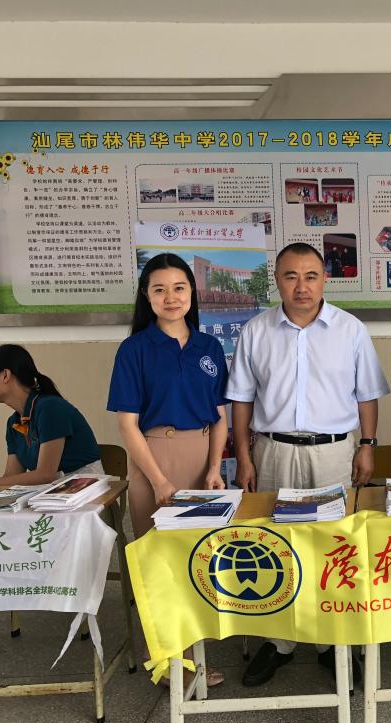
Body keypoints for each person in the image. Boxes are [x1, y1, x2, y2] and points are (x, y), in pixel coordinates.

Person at [228, 242, 389, 688]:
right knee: (274, 544)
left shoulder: (350, 329)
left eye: (311, 276)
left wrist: (367, 445)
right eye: (291, 276)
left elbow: (367, 395)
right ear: (277, 281)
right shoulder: (256, 331)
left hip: (334, 452)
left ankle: (332, 640)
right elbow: (241, 399)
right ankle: (279, 640)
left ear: (325, 280)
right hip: (273, 451)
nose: (302, 286)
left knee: (333, 545)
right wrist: (243, 455)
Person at [0, 344, 103, 676]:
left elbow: (45, 473)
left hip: (77, 500)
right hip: (41, 499)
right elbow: (13, 479)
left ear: (6, 375)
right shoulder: (15, 421)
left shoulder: (50, 408)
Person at [107, 252, 229, 686]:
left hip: (202, 459)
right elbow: (127, 424)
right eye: (159, 289)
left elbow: (220, 416)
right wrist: (158, 479)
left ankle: (193, 653)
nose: (171, 297)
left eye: (179, 288)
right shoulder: (135, 349)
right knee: (159, 562)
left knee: (198, 559)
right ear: (147, 296)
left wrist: (214, 467)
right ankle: (166, 660)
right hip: (153, 457)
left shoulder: (208, 347)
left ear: (192, 292)